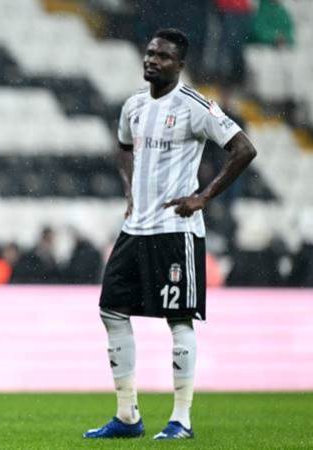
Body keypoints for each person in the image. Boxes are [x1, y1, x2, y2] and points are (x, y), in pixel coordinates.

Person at [83, 28, 257, 440]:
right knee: (111, 310)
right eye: (149, 53)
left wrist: (203, 197)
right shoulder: (134, 106)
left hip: (176, 231)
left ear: (180, 64)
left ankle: (181, 419)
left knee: (179, 319)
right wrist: (130, 189)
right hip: (135, 229)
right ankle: (127, 415)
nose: (152, 60)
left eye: (162, 56)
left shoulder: (195, 106)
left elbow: (244, 149)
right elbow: (123, 147)